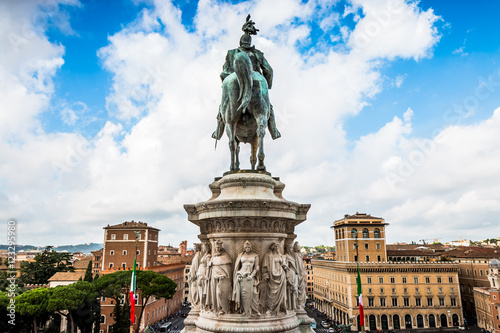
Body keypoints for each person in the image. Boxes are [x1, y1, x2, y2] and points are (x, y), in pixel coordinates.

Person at [212, 15, 281, 141]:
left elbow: (225, 72)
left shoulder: (232, 53)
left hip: (234, 83)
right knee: (268, 107)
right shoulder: (257, 54)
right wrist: (266, 85)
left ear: (240, 42)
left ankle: (218, 130)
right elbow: (269, 70)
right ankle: (274, 130)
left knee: (223, 106)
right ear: (250, 43)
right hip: (257, 83)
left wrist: (227, 84)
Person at [232, 240, 260, 316]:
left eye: (248, 247)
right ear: (244, 248)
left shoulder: (255, 255)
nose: (247, 248)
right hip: (241, 275)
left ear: (251, 247)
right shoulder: (240, 255)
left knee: (254, 293)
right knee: (243, 294)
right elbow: (237, 267)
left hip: (251, 276)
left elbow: (257, 267)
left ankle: (254, 310)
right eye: (246, 247)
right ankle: (244, 310)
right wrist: (238, 275)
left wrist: (252, 275)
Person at [262, 241, 288, 315]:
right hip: (272, 275)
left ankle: (280, 307)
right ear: (272, 248)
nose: (277, 248)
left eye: (278, 246)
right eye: (275, 247)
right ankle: (270, 308)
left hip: (281, 275)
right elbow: (265, 266)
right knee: (271, 293)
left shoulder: (280, 256)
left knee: (281, 293)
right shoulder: (269, 256)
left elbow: (284, 264)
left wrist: (285, 266)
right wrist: (266, 274)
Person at [209, 240, 232, 315]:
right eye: (216, 248)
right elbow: (211, 266)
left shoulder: (225, 256)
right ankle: (218, 308)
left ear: (221, 247)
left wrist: (223, 275)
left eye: (219, 247)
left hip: (223, 279)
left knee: (221, 293)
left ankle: (224, 308)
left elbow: (227, 269)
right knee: (217, 293)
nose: (217, 249)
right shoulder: (213, 257)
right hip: (215, 279)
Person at [197, 242, 212, 311]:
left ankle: (204, 306)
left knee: (203, 292)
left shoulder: (208, 256)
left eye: (204, 248)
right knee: (201, 291)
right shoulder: (205, 255)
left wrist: (206, 275)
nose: (203, 249)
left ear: (207, 248)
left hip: (203, 274)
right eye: (202, 248)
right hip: (200, 274)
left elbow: (208, 266)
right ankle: (202, 305)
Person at [188, 243, 201, 308]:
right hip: (193, 278)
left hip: (195, 278)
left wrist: (194, 276)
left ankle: (196, 303)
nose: (194, 249)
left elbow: (197, 267)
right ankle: (195, 303)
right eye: (194, 248)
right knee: (194, 292)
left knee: (194, 293)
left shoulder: (198, 256)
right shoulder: (196, 255)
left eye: (195, 248)